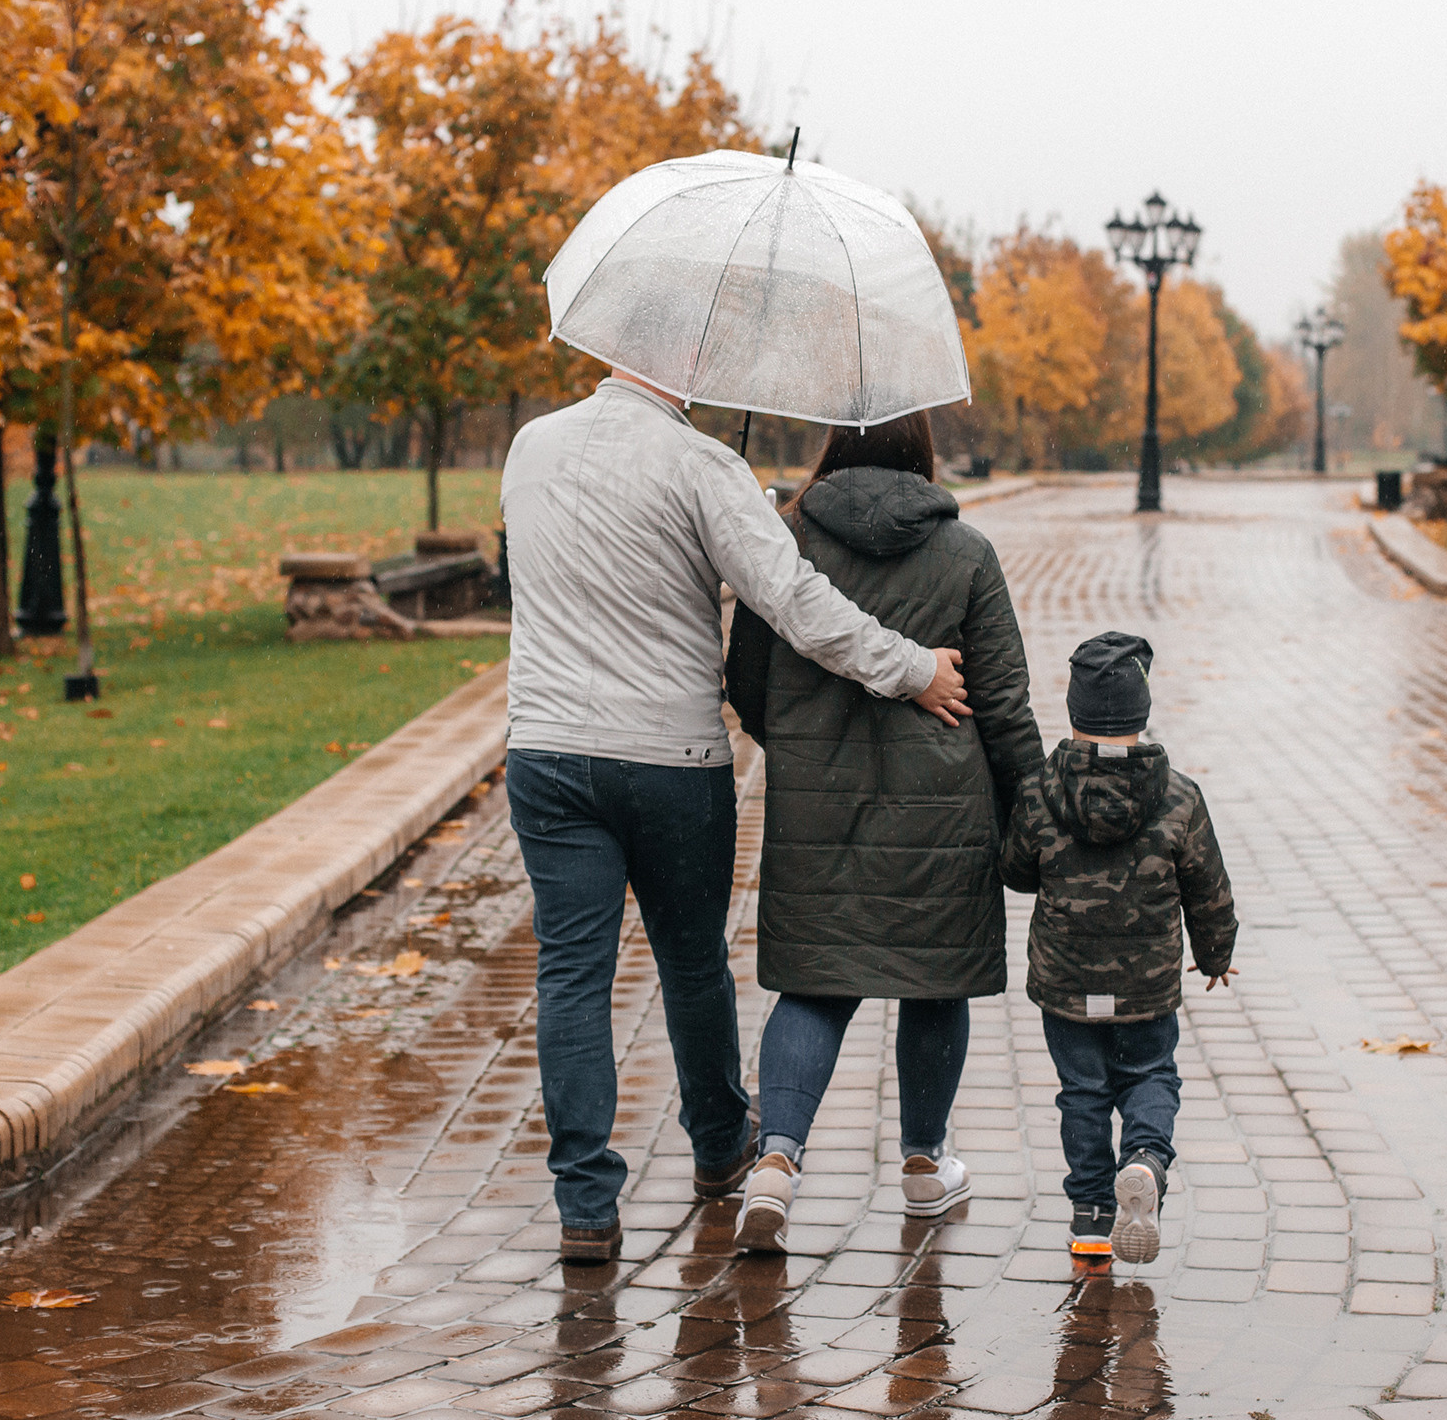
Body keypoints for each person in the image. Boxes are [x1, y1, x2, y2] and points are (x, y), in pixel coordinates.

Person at [500, 369, 975, 1265]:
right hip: (670, 760)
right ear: (678, 360)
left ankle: (586, 1208)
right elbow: (796, 605)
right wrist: (911, 668)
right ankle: (721, 1146)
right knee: (690, 964)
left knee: (571, 975)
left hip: (549, 751)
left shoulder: (531, 446)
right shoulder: (701, 463)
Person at [722, 411, 1042, 1253]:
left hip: (817, 801)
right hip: (944, 808)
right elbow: (1003, 703)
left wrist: (799, 742)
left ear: (835, 441)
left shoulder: (787, 540)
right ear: (921, 449)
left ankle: (776, 1163)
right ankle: (924, 1166)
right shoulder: (965, 554)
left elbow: (746, 679)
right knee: (934, 983)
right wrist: (1035, 812)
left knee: (816, 983)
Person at [999, 631, 1236, 1265]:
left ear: (1075, 709)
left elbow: (1017, 871)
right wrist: (1215, 955)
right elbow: (1208, 885)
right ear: (1143, 709)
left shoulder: (1038, 791)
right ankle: (1146, 1162)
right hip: (1146, 985)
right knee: (1150, 1074)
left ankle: (1092, 1217)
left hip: (1065, 982)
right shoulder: (1179, 795)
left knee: (1082, 1091)